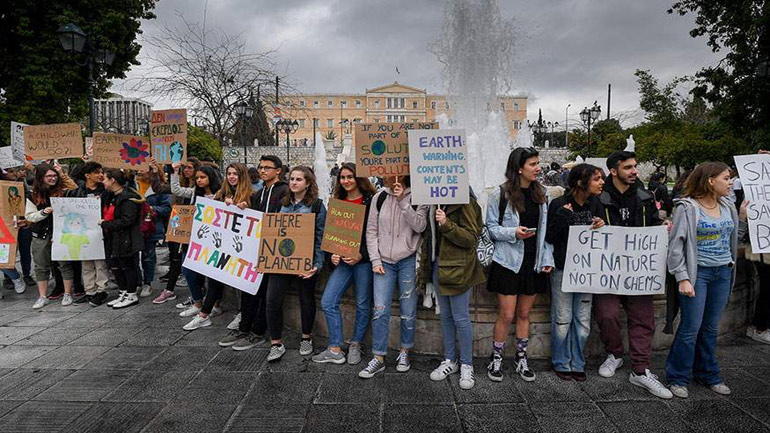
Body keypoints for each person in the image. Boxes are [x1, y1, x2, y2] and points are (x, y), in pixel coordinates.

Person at [595, 150, 673, 399]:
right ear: (614, 171)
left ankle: (640, 369)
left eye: (635, 166)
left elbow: (651, 224)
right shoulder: (598, 196)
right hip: (607, 268)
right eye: (628, 167)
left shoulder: (644, 196)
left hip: (638, 270)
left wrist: (661, 227)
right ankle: (615, 354)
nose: (635, 171)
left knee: (643, 318)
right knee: (606, 315)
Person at [666, 161, 747, 398]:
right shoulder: (687, 207)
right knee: (690, 327)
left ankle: (708, 373)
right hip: (697, 273)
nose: (731, 182)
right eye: (726, 178)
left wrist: (741, 218)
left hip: (723, 272)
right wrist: (682, 277)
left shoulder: (728, 205)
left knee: (711, 328)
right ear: (710, 181)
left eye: (730, 178)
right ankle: (678, 377)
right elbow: (676, 247)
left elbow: (734, 238)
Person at [485, 147, 554, 383]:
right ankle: (496, 357)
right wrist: (513, 232)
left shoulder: (542, 194)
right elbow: (491, 228)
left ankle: (521, 357)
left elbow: (546, 232)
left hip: (532, 262)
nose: (538, 168)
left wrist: (546, 259)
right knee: (506, 314)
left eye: (537, 163)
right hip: (508, 262)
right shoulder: (501, 194)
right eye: (533, 164)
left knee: (525, 313)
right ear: (519, 168)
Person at [359, 175, 428, 379]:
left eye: (389, 173)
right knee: (380, 310)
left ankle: (405, 352)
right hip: (383, 261)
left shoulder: (418, 196)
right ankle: (378, 357)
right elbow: (371, 231)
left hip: (407, 259)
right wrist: (375, 260)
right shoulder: (378, 197)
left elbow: (420, 226)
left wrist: (402, 201)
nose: (385, 176)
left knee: (408, 309)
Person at [217, 155, 288, 350]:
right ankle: (244, 327)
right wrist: (244, 207)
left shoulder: (284, 191)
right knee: (249, 289)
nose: (263, 170)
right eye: (261, 167)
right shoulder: (259, 193)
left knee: (265, 294)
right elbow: (253, 214)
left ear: (278, 171)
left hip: (274, 249)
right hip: (255, 249)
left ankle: (258, 332)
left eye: (267, 167)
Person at [421, 187, 486, 390]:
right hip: (438, 265)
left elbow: (471, 238)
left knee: (461, 317)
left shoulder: (465, 200)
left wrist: (447, 224)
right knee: (446, 317)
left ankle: (467, 364)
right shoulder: (433, 198)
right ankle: (450, 360)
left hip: (458, 267)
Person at [545, 164, 605, 381]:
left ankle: (578, 362)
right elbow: (550, 236)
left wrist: (601, 225)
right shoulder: (559, 204)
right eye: (597, 179)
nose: (602, 182)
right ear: (581, 182)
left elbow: (604, 236)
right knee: (562, 319)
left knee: (582, 321)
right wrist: (562, 216)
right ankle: (561, 361)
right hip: (562, 269)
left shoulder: (595, 203)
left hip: (586, 271)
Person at [312, 163, 376, 365]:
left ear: (358, 178)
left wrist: (361, 255)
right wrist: (332, 254)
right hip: (343, 262)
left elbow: (375, 233)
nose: (346, 181)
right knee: (328, 301)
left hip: (363, 261)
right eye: (343, 177)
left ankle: (356, 343)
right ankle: (335, 347)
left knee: (363, 304)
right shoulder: (337, 201)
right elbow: (332, 234)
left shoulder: (371, 201)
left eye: (350, 177)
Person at [264, 166, 326, 362]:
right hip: (280, 260)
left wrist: (317, 264)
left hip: (304, 261)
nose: (293, 182)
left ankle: (306, 338)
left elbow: (320, 237)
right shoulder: (280, 204)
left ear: (308, 183)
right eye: (291, 179)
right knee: (272, 300)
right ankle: (276, 343)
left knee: (306, 299)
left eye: (299, 179)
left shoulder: (316, 206)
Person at [182, 163, 253, 331]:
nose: (232, 177)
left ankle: (240, 313)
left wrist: (245, 207)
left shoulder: (251, 195)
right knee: (214, 279)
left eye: (235, 173)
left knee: (240, 284)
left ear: (242, 176)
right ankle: (203, 315)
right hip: (221, 245)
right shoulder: (221, 194)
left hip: (240, 248)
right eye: (229, 173)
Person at [155, 164, 221, 314]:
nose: (199, 180)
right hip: (194, 239)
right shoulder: (194, 193)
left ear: (211, 177)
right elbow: (176, 189)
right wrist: (175, 172)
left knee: (212, 275)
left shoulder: (220, 194)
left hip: (213, 241)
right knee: (187, 269)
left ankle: (214, 304)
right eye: (197, 177)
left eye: (202, 177)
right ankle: (197, 302)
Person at [25, 162, 78, 309]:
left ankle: (67, 294)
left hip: (61, 233)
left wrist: (62, 174)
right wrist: (43, 212)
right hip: (41, 234)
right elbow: (29, 216)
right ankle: (42, 296)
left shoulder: (63, 191)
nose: (52, 178)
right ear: (41, 178)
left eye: (54, 176)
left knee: (64, 264)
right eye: (49, 176)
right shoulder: (32, 194)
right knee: (41, 266)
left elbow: (75, 189)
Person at [153, 158, 201, 306]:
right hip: (178, 225)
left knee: (187, 262)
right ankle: (172, 290)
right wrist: (157, 172)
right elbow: (161, 189)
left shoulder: (197, 190)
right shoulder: (183, 185)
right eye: (184, 168)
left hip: (194, 229)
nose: (186, 170)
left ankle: (196, 296)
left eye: (189, 168)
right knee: (176, 258)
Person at [64, 162, 111, 307]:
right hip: (83, 233)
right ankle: (89, 291)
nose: (100, 175)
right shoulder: (78, 191)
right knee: (86, 263)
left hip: (100, 232)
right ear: (87, 175)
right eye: (97, 172)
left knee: (100, 264)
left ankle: (102, 290)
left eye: (101, 172)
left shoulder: (105, 191)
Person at [102, 169, 144, 309]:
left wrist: (105, 224)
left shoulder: (128, 198)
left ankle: (131, 294)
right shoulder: (111, 195)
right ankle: (124, 292)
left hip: (127, 238)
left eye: (105, 179)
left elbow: (127, 220)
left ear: (112, 180)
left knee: (128, 266)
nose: (103, 181)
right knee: (117, 266)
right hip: (114, 237)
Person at [137, 161, 172, 299]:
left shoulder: (160, 189)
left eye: (143, 169)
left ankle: (148, 283)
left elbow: (167, 208)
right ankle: (137, 282)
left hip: (150, 226)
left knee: (148, 255)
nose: (139, 172)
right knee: (133, 257)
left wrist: (151, 209)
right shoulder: (131, 185)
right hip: (133, 226)